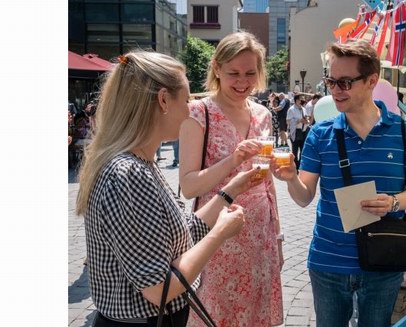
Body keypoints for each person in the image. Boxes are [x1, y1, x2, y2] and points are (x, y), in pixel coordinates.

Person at [76, 50, 262, 327]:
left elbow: (186, 232)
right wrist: (222, 232)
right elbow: (159, 289)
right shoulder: (128, 174)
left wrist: (231, 189)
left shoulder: (139, 163)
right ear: (163, 100)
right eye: (185, 99)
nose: (189, 109)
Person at [271, 39, 406, 327]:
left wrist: (394, 202)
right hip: (328, 260)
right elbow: (305, 197)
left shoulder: (405, 132)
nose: (334, 91)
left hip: (384, 259)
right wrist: (292, 178)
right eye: (331, 81)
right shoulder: (320, 134)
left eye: (344, 83)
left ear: (371, 81)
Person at [179, 31, 284, 327]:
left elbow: (266, 183)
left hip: (261, 235)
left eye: (251, 73)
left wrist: (277, 237)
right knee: (217, 316)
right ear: (216, 68)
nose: (242, 82)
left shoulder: (263, 114)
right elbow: (189, 186)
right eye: (233, 73)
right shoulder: (199, 113)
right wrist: (233, 160)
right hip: (218, 239)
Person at [286, 94, 309, 169]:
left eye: (302, 99)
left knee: (303, 151)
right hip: (295, 132)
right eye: (300, 99)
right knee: (295, 151)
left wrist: (306, 121)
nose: (301, 101)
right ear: (296, 100)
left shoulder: (303, 109)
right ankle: (294, 166)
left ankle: (300, 166)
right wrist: (298, 120)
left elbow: (306, 119)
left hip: (303, 131)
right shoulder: (291, 109)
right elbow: (288, 121)